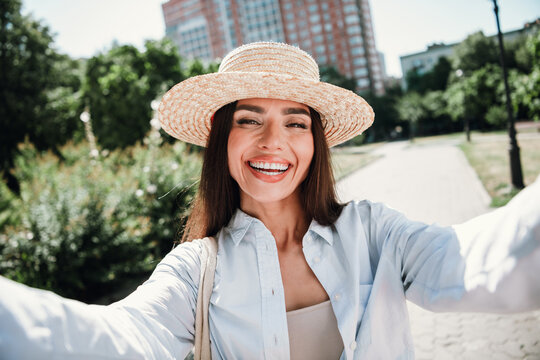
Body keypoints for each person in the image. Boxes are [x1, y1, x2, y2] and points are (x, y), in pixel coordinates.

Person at [1, 41, 539, 360]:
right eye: (249, 120)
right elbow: (121, 338)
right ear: (222, 140)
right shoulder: (194, 271)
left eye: (296, 122)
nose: (273, 142)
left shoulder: (376, 233)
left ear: (315, 140)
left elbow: (485, 262)